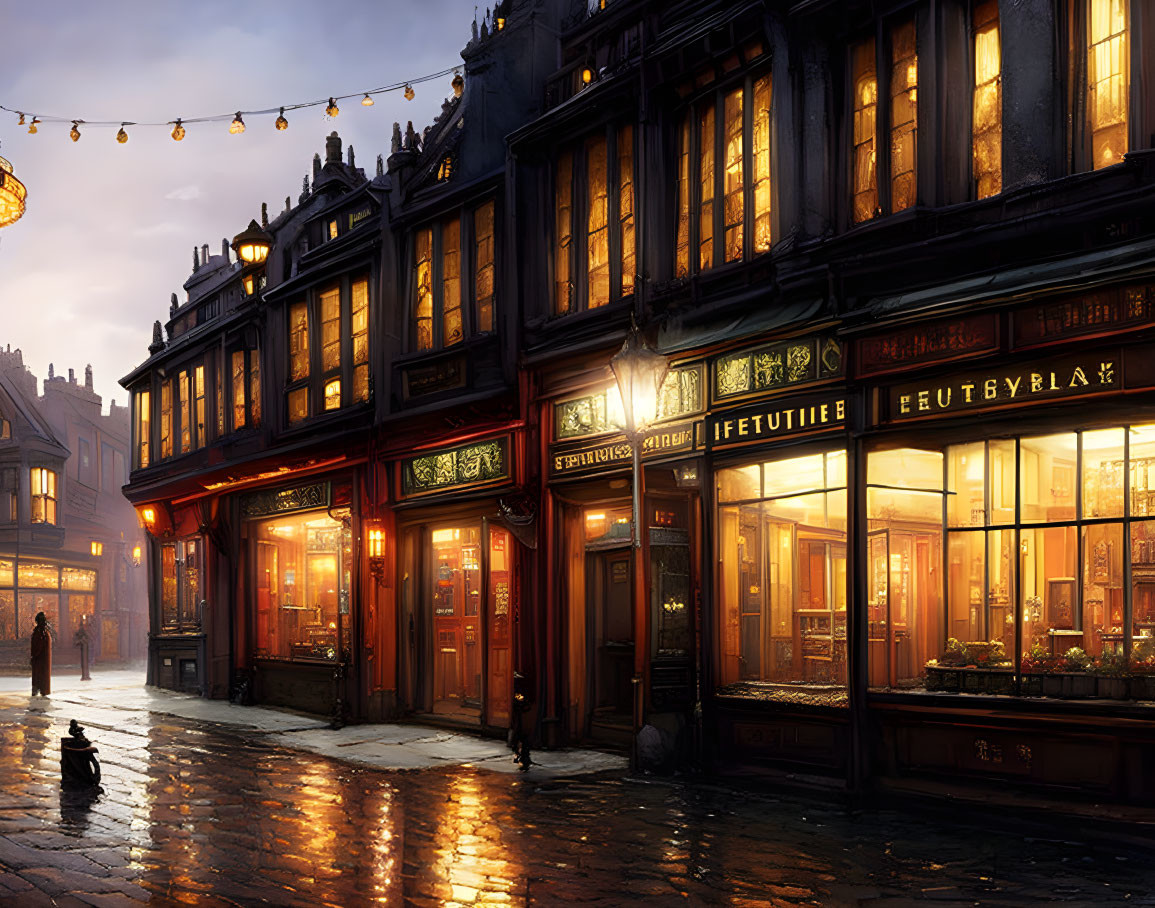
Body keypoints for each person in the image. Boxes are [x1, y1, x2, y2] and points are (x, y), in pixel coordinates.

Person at [31, 611, 51, 696]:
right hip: (44, 659)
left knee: (38, 676)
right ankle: (43, 690)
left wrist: (33, 656)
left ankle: (38, 690)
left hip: (39, 659)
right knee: (43, 676)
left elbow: (37, 646)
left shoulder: (39, 632)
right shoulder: (45, 632)